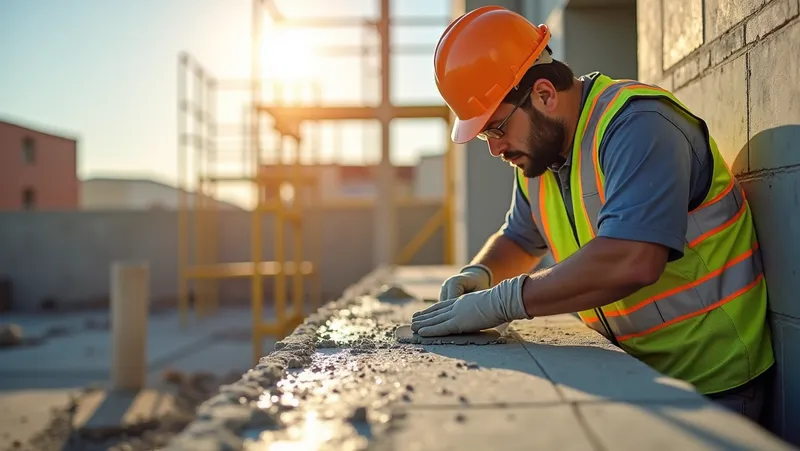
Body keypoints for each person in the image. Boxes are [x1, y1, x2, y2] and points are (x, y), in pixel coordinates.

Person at [410, 5, 775, 423]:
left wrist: (504, 301)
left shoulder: (638, 125)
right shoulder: (539, 158)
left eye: (496, 128)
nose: (495, 148)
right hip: (629, 372)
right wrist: (478, 275)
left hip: (712, 381)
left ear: (544, 94)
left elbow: (633, 259)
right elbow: (519, 237)